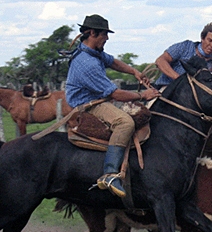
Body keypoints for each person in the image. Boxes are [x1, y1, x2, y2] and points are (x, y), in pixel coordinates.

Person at [65, 14, 160, 200]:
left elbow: (113, 62)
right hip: (88, 105)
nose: (107, 38)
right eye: (104, 34)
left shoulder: (93, 52)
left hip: (97, 99)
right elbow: (115, 94)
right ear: (92, 33)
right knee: (124, 122)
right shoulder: (86, 63)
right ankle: (109, 174)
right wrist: (143, 95)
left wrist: (135, 72)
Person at [154, 22, 212, 89]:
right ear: (202, 38)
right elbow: (160, 61)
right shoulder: (185, 47)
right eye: (210, 40)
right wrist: (180, 80)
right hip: (164, 89)